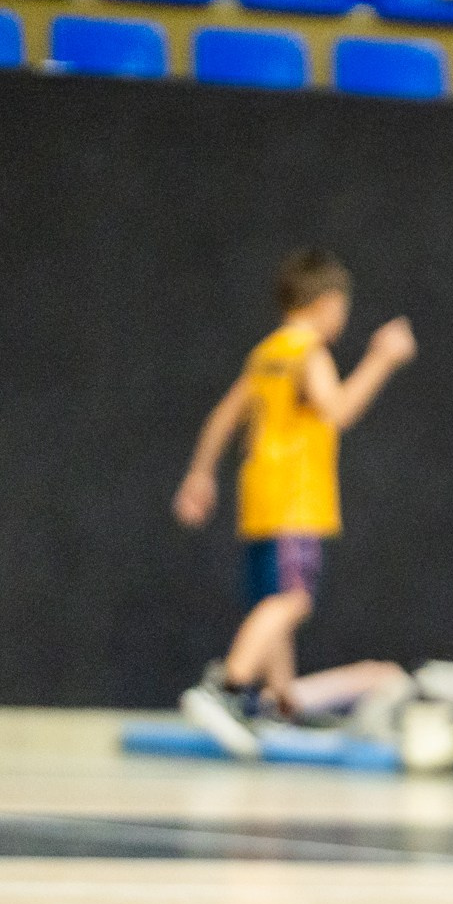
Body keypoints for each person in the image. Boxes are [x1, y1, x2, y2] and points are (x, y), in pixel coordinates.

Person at [172, 250, 416, 757]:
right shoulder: (308, 353)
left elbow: (224, 415)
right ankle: (228, 685)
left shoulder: (266, 354)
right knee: (293, 600)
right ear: (326, 304)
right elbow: (339, 410)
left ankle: (281, 703)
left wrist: (200, 474)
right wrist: (381, 360)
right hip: (296, 501)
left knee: (271, 601)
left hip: (259, 497)